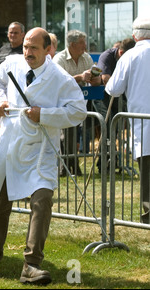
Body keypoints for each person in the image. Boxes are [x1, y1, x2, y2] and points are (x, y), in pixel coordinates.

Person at [0, 27, 87, 284]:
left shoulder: (60, 77)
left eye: (33, 48)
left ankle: (31, 264)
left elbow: (78, 111)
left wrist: (45, 115)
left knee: (42, 202)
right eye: (26, 47)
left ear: (48, 49)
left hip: (41, 152)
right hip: (10, 145)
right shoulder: (13, 63)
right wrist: (0, 100)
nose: (27, 52)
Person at [105, 16, 150, 224]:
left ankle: (148, 214)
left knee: (148, 174)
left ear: (134, 36)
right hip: (143, 123)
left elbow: (113, 89)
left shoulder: (130, 56)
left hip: (143, 124)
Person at [53, 30, 101, 175]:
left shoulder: (86, 58)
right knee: (65, 134)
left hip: (80, 102)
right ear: (72, 44)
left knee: (73, 133)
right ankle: (67, 166)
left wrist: (95, 79)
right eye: (81, 42)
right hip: (61, 101)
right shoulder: (59, 59)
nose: (85, 45)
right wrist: (80, 77)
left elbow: (95, 80)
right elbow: (58, 83)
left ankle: (69, 166)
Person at [94, 38, 135, 172]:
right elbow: (105, 79)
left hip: (119, 97)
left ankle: (112, 161)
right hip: (103, 97)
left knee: (115, 129)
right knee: (107, 126)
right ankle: (105, 162)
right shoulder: (107, 56)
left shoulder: (130, 56)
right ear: (121, 52)